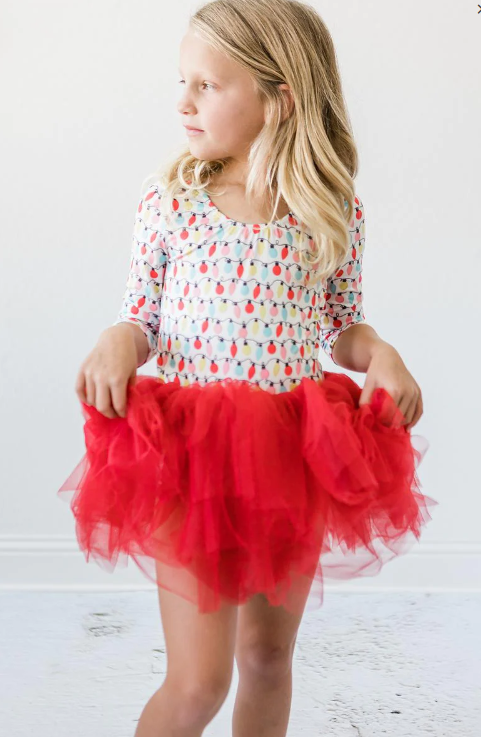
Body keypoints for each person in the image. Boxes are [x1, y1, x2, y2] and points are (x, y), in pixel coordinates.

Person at [58, 1, 438, 735]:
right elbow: (141, 317)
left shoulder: (328, 209)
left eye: (206, 85)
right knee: (198, 683)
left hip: (290, 452)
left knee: (266, 658)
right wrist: (117, 338)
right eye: (182, 81)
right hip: (189, 456)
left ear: (277, 98)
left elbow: (341, 325)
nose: (183, 102)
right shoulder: (172, 201)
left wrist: (381, 354)